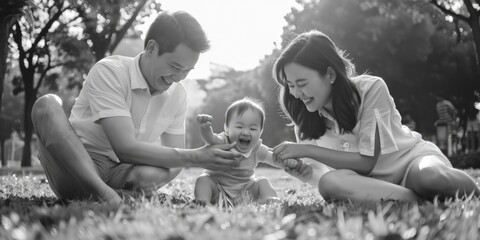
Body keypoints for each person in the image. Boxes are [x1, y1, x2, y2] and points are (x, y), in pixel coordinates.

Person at [31, 11, 241, 204]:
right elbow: (125, 149)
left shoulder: (178, 95)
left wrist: (199, 155)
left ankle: (113, 194)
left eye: (187, 70)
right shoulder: (110, 71)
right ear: (151, 48)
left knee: (155, 173)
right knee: (46, 105)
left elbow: (175, 159)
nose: (178, 78)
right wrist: (196, 156)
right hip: (74, 162)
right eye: (174, 67)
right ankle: (105, 194)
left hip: (120, 173)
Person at [271, 30, 480, 202]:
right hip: (372, 188)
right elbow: (325, 179)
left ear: (330, 74)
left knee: (430, 178)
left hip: (411, 163)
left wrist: (305, 150)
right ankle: (418, 201)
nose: (296, 94)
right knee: (329, 183)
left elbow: (366, 161)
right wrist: (302, 170)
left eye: (302, 84)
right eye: (290, 86)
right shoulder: (305, 124)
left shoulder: (370, 89)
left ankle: (469, 194)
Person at [194, 98, 301, 207]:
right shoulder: (223, 141)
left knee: (262, 182)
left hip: (245, 193)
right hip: (218, 191)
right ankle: (203, 201)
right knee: (203, 180)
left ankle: (269, 199)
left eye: (253, 128)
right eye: (239, 126)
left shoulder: (257, 148)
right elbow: (211, 139)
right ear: (227, 128)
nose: (246, 132)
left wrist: (287, 162)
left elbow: (273, 158)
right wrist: (205, 129)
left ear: (260, 132)